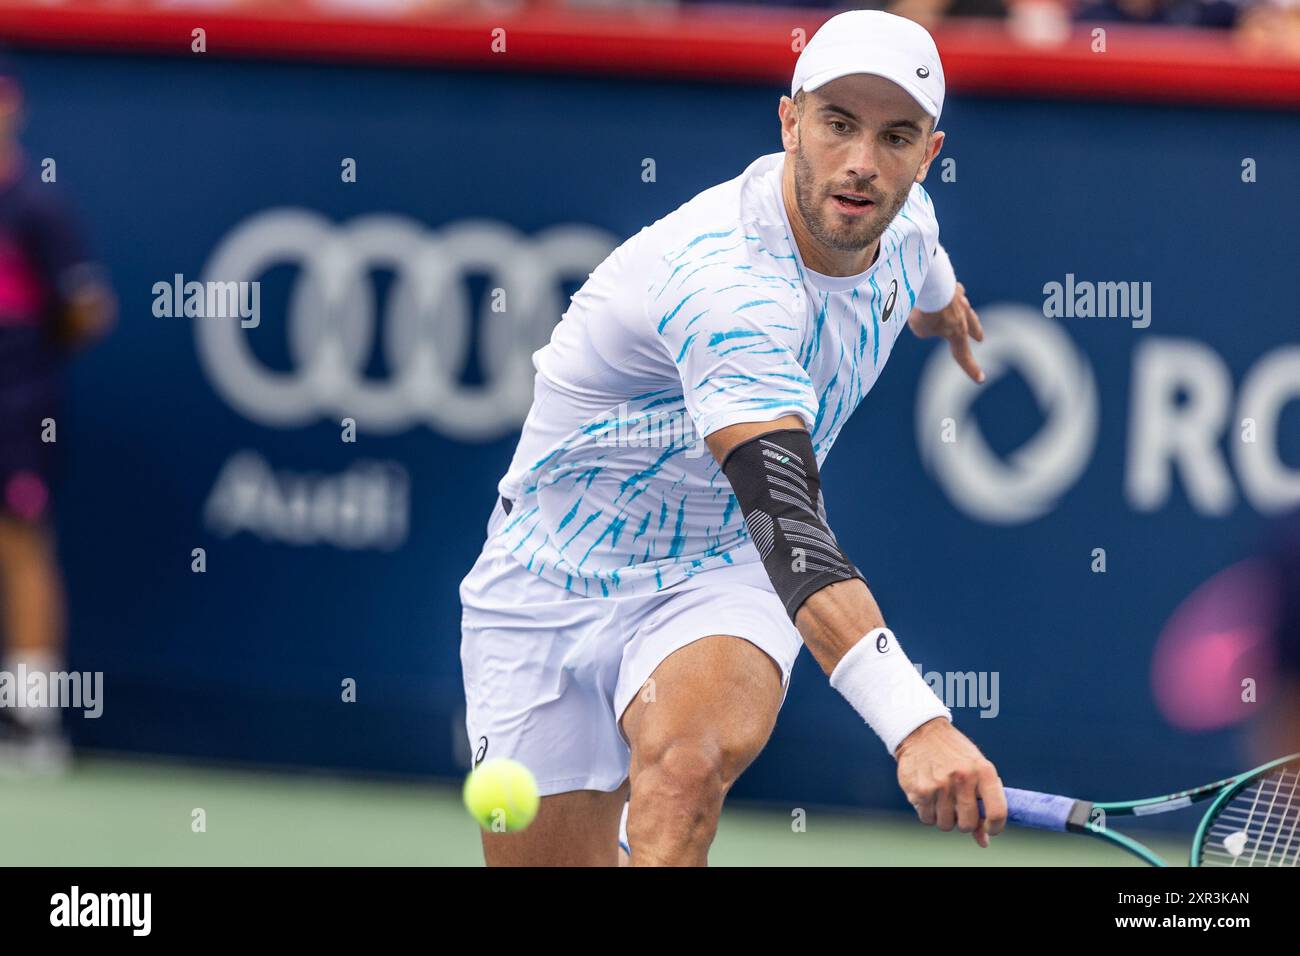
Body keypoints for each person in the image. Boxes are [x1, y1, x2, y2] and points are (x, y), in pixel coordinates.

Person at [459, 11, 1007, 866]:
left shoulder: (906, 225)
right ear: (789, 122)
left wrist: (943, 311)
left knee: (685, 770)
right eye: (836, 125)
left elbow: (924, 263)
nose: (863, 161)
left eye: (895, 137)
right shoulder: (726, 285)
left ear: (928, 154)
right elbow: (790, 524)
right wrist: (918, 726)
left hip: (721, 563)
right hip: (547, 576)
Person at [0, 65, 115, 771]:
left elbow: (88, 308)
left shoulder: (38, 206)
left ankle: (30, 722)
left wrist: (31, 358)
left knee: (20, 547)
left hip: (18, 406)